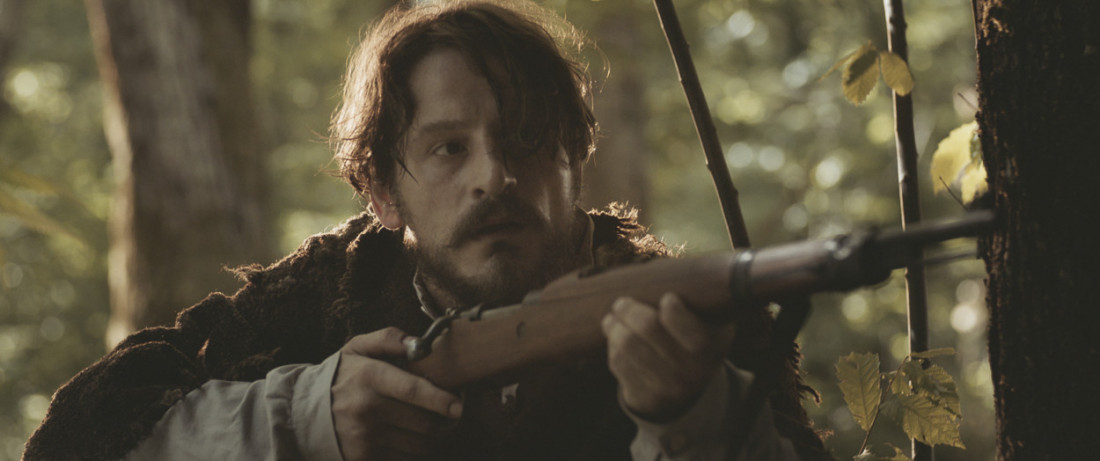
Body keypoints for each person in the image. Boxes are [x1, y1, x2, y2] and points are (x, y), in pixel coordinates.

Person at [25, 1, 829, 459]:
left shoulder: (695, 322)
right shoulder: (308, 309)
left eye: (525, 137)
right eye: (448, 147)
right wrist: (305, 417)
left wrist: (694, 418)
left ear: (575, 156)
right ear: (381, 191)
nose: (494, 175)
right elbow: (77, 440)